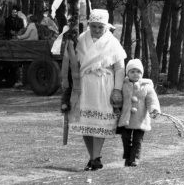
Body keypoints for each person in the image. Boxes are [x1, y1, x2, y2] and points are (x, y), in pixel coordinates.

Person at [66, 9, 127, 171]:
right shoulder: (81, 39)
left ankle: (96, 157)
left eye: (100, 27)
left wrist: (117, 89)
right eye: (94, 27)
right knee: (85, 121)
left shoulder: (112, 42)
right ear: (89, 25)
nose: (97, 30)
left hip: (103, 85)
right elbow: (73, 61)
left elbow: (120, 68)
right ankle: (92, 157)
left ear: (106, 27)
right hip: (85, 85)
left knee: (100, 121)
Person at [117, 58, 161, 167]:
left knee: (137, 140)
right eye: (132, 71)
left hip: (140, 118)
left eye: (138, 71)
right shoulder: (123, 85)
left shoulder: (147, 86)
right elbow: (118, 98)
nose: (135, 74)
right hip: (126, 118)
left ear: (142, 73)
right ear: (128, 73)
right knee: (126, 138)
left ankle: (134, 159)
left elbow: (152, 100)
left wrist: (153, 109)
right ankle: (127, 157)